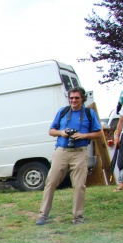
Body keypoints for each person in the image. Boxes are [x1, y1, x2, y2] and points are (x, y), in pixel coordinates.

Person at [37, 87, 102, 225]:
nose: (73, 100)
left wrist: (83, 135)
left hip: (79, 152)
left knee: (79, 185)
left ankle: (78, 218)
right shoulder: (63, 112)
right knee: (51, 182)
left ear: (82, 99)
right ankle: (43, 215)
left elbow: (98, 133)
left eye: (76, 98)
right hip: (62, 151)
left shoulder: (89, 113)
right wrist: (62, 133)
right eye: (71, 98)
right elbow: (51, 131)